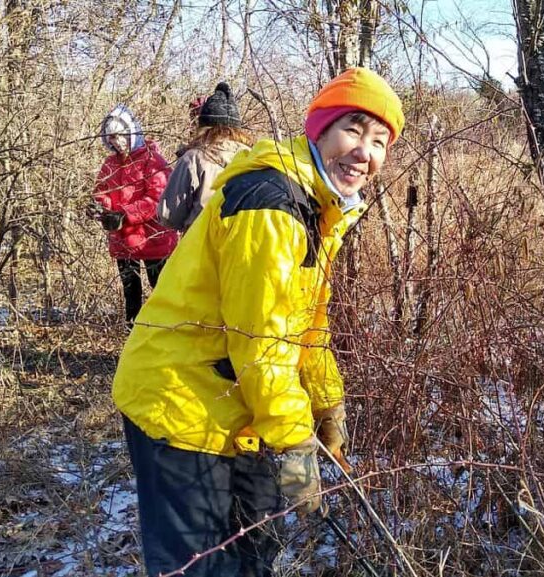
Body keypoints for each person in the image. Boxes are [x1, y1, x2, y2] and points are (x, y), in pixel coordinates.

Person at [111, 67, 404, 577]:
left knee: (255, 550)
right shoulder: (272, 205)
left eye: (380, 141)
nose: (365, 152)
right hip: (179, 404)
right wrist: (294, 439)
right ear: (320, 130)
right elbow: (263, 341)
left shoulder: (317, 208)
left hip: (231, 404)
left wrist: (326, 404)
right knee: (199, 567)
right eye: (353, 130)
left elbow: (307, 326)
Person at [91, 104, 178, 324]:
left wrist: (124, 215)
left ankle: (167, 333)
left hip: (154, 238)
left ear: (131, 132)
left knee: (162, 293)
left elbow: (157, 199)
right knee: (131, 295)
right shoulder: (110, 163)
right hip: (123, 242)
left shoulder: (154, 161)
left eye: (120, 136)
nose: (116, 142)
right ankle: (132, 339)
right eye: (111, 138)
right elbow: (102, 192)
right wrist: (100, 208)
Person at [158, 82, 252, 232]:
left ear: (202, 127)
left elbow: (169, 215)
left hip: (200, 246)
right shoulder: (254, 159)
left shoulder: (194, 159)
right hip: (241, 246)